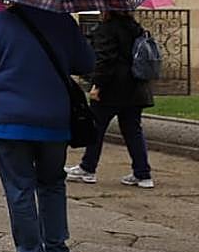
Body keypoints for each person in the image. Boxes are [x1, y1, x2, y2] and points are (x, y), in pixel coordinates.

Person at [0, 4, 95, 252]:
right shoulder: (64, 23)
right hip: (54, 119)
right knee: (52, 182)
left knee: (19, 187)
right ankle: (57, 248)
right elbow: (87, 63)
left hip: (10, 120)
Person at [66, 11, 155, 188]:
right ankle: (143, 174)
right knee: (133, 131)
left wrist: (97, 85)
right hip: (135, 87)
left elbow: (105, 60)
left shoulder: (107, 29)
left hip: (112, 89)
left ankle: (88, 168)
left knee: (96, 129)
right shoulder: (136, 28)